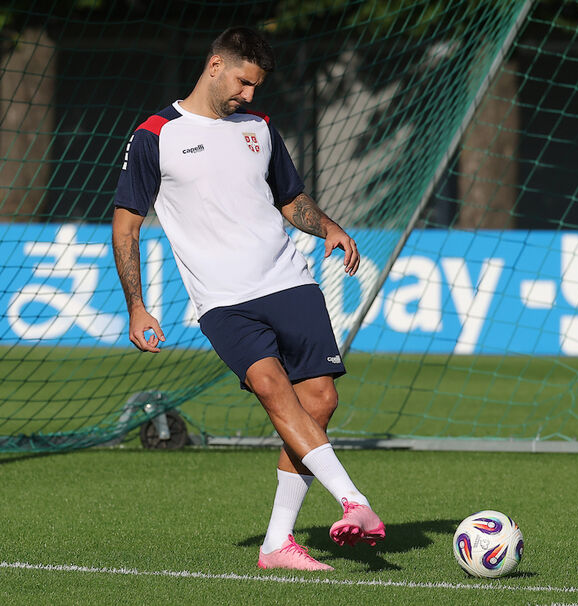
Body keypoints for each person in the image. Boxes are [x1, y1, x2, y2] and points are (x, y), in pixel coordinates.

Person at [110, 26, 384, 572]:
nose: (249, 95)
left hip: (288, 279)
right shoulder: (154, 134)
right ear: (215, 65)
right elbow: (126, 226)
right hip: (223, 299)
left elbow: (289, 199)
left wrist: (327, 226)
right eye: (243, 82)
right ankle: (355, 501)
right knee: (269, 385)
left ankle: (277, 544)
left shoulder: (259, 127)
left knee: (321, 402)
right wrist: (136, 305)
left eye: (256, 86)